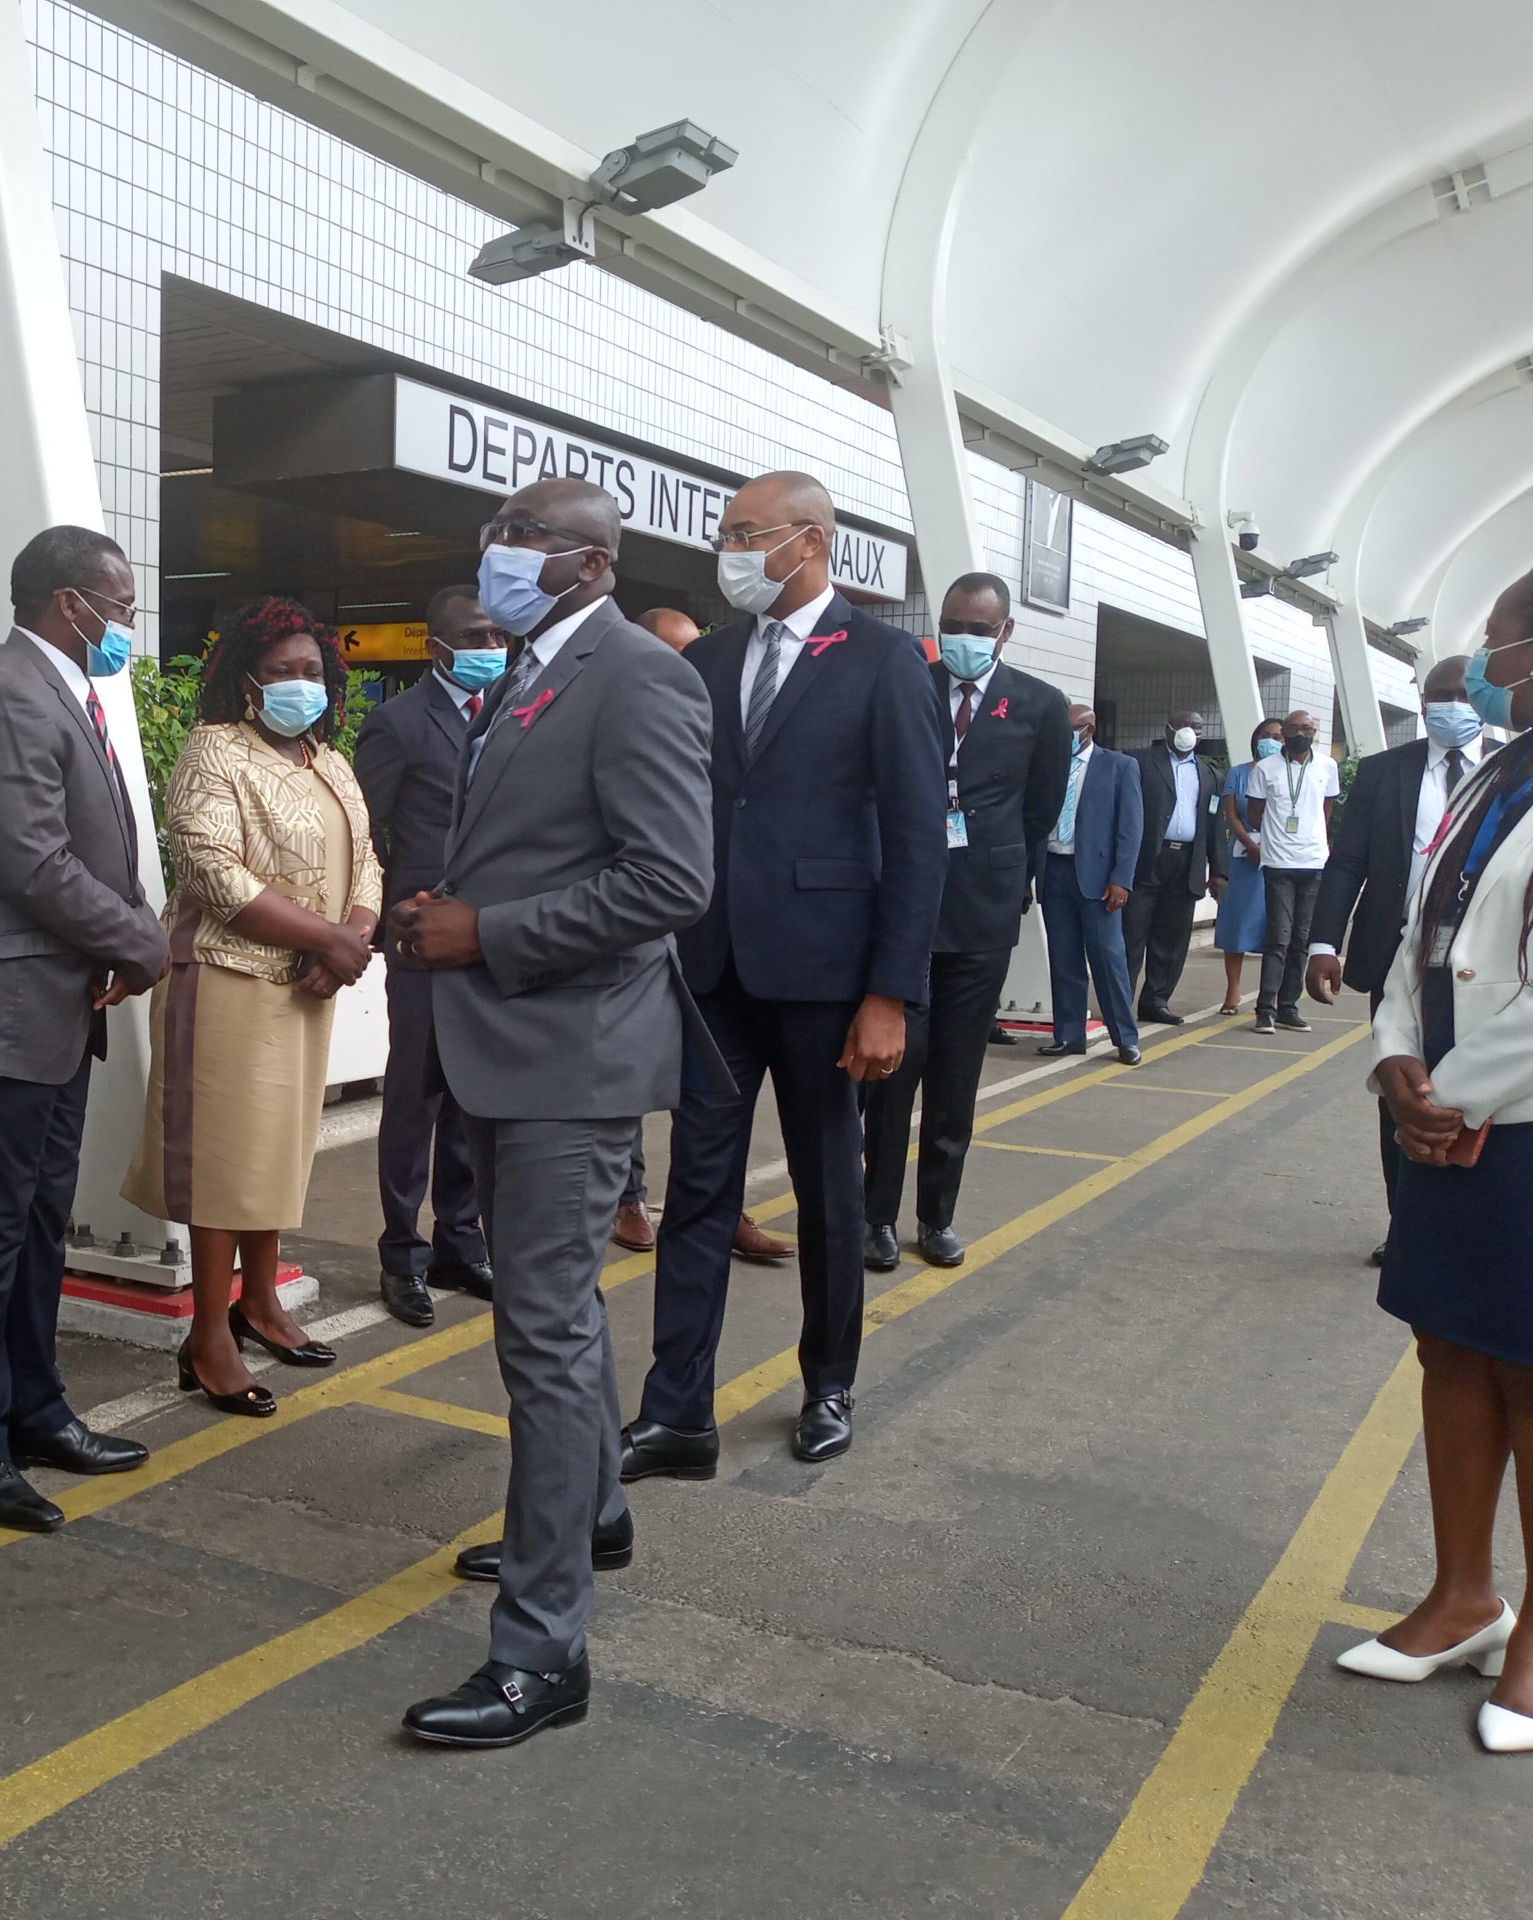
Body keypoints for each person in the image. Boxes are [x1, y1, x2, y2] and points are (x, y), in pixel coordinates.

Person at [389, 477, 714, 1748]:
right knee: (560, 1320)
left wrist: (491, 933)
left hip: (567, 1058)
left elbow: (670, 876)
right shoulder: (535, 667)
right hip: (508, 1043)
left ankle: (542, 1654)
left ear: (586, 563)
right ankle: (594, 1516)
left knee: (541, 1337)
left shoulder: (635, 675)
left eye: (519, 537)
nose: (496, 553)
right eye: (494, 532)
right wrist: (440, 912)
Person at [632, 469, 944, 1475]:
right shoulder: (710, 659)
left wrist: (888, 995)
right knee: (699, 1194)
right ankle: (676, 1407)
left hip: (828, 980)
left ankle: (828, 1384)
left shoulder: (884, 660)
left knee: (827, 1194)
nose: (726, 552)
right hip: (713, 969)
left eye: (743, 534)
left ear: (808, 542)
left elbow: (914, 837)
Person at [1343, 549, 1533, 1754]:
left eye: (1496, 644)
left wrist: (1453, 1091)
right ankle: (1462, 1593)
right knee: (1449, 1349)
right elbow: (1421, 928)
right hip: (1441, 1103)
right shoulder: (1502, 770)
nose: (1479, 669)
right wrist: (1396, 1050)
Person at [0, 526, 167, 1533]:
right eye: (122, 607)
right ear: (69, 603)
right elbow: (36, 865)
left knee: (37, 1218)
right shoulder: (13, 694)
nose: (128, 626)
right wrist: (141, 942)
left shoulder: (62, 688)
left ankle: (33, 1410)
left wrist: (113, 946)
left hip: (50, 999)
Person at [126, 598, 381, 1402]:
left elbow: (368, 858)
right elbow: (211, 868)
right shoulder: (216, 750)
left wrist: (352, 938)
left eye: (312, 671)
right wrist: (322, 938)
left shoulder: (327, 760)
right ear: (247, 680)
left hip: (309, 986)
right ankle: (207, 1334)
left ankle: (262, 1303)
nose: (299, 684)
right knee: (225, 1161)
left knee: (280, 1149)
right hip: (229, 977)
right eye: (282, 672)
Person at [860, 573, 1069, 1272]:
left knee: (955, 1074)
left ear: (1004, 632)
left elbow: (1039, 809)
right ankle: (875, 1216)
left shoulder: (1040, 705)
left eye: (980, 629)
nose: (965, 638)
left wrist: (1007, 871)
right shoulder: (905, 686)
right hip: (903, 910)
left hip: (982, 909)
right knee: (892, 1070)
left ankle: (936, 1216)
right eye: (954, 624)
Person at [630, 605, 794, 1269]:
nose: (693, 672)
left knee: (705, 1089)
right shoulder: (622, 717)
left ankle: (722, 1206)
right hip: (631, 925)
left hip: (704, 933)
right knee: (630, 1073)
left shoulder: (720, 722)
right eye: (677, 657)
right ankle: (625, 1195)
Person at [354, 586, 499, 1328]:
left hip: (490, 939)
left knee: (475, 1102)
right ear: (436, 646)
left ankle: (459, 1241)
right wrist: (387, 915)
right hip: (419, 943)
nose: (488, 647)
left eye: (495, 635)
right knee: (415, 1101)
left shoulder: (509, 713)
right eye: (473, 636)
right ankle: (401, 1254)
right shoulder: (398, 725)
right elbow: (359, 832)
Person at [1307, 657, 1481, 1263]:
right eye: (1439, 696)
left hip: (1485, 967)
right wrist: (1324, 943)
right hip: (1400, 961)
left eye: (1463, 693)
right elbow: (1347, 861)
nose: (1452, 704)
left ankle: (1470, 1225)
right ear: (1423, 702)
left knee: (1475, 1092)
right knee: (1402, 1091)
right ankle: (1405, 1228)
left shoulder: (1514, 772)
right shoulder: (1385, 773)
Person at [1037, 703, 1145, 1064]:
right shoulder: (1048, 765)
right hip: (1054, 870)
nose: (1067, 734)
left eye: (1075, 728)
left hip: (1099, 880)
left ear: (1090, 729)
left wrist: (1122, 880)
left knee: (1108, 959)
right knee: (1063, 958)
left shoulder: (1119, 766)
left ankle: (1125, 1038)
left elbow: (1130, 830)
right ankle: (1068, 1035)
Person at [1123, 708, 1224, 1021]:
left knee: (1173, 937)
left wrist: (1219, 871)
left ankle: (1156, 1001)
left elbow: (1214, 824)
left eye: (1195, 726)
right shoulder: (1138, 762)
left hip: (1186, 862)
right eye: (1182, 725)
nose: (1188, 731)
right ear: (1167, 728)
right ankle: (1120, 1000)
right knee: (1131, 935)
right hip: (1145, 860)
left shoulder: (1210, 775)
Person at [1244, 707, 1338, 1034]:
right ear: (1283, 732)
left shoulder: (1327, 766)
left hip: (1313, 861)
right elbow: (1255, 814)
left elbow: (1326, 810)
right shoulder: (1266, 768)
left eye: (1308, 729)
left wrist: (1310, 836)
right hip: (1278, 863)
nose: (1302, 734)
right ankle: (1265, 1009)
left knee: (1301, 939)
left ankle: (1288, 1007)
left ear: (1315, 732)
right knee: (1279, 938)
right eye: (1295, 729)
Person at [1212, 719, 1284, 1014]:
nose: (1270, 741)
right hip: (1243, 857)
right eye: (1265, 736)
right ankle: (1233, 991)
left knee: (1277, 926)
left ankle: (1273, 994)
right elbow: (1231, 815)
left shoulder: (1288, 773)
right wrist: (1252, 845)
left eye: (1277, 736)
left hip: (1280, 856)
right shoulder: (1239, 773)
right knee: (1236, 924)